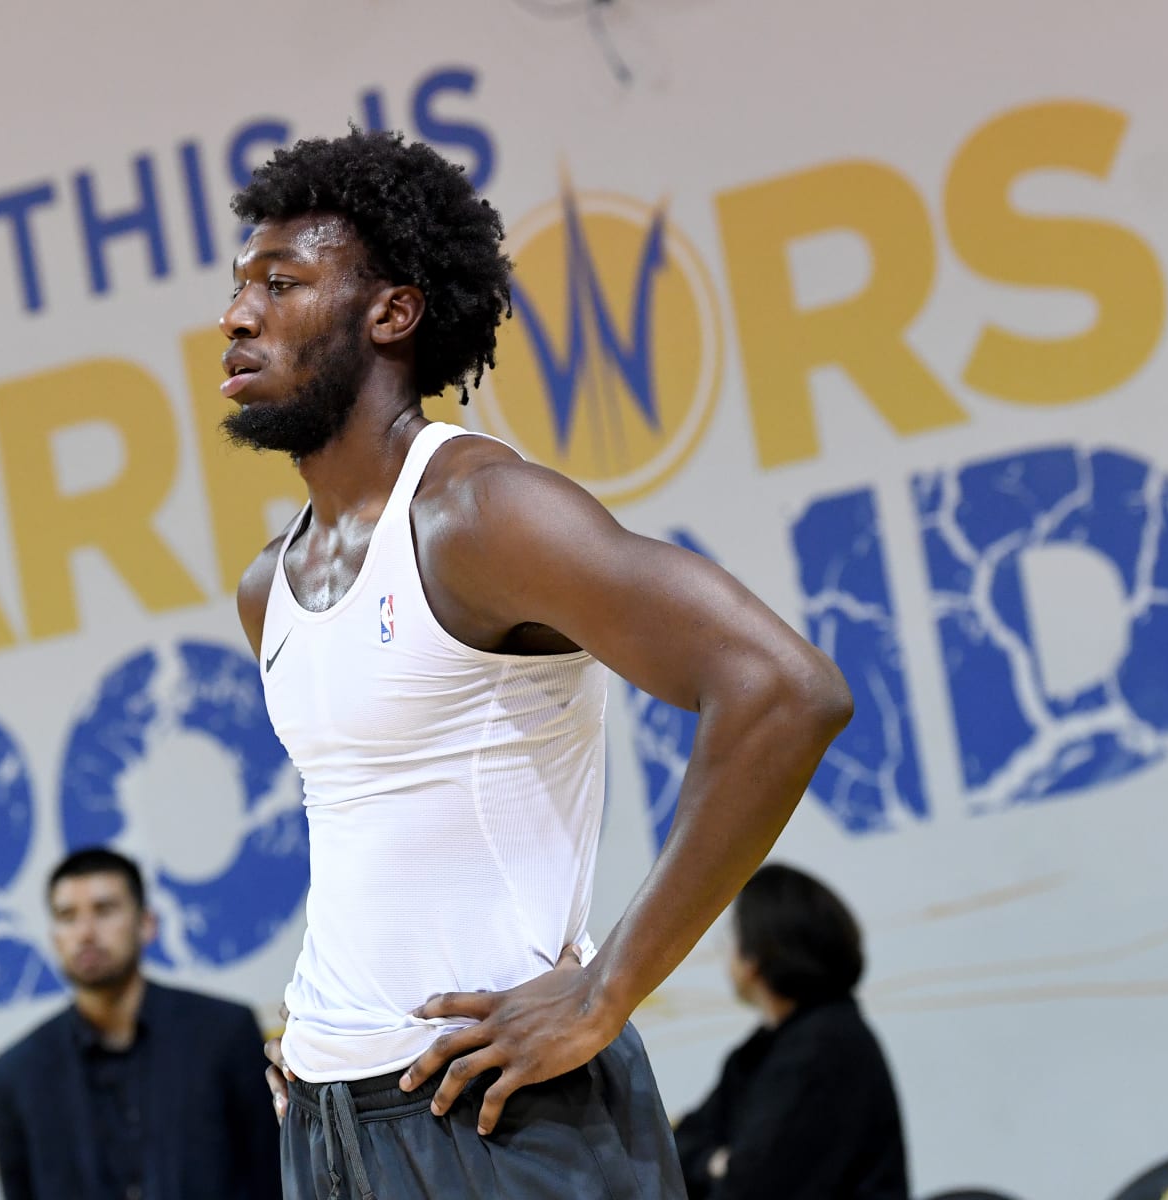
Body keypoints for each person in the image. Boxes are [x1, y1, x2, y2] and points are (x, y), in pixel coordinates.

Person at [220, 128, 855, 1199]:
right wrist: (324, 1045)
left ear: (392, 314)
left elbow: (786, 692)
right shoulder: (265, 587)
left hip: (497, 1112)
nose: (239, 316)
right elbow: (379, 832)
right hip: (329, 1121)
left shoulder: (482, 514)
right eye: (239, 287)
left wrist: (607, 989)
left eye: (283, 284)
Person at [0, 848, 280, 1200]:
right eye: (67, 916)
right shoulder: (17, 1075)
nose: (85, 932)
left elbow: (274, 1177)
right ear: (53, 938)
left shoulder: (224, 1033)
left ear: (146, 924)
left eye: (104, 910)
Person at [674, 864, 909, 1199]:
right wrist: (716, 1163)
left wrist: (723, 1164)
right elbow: (680, 1147)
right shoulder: (765, 1048)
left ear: (757, 955)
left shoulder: (825, 1048)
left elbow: (749, 1188)